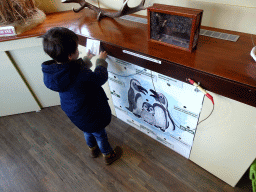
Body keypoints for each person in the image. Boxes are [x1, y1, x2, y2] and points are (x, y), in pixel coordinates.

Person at [40, 27, 122, 165]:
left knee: (87, 131)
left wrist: (87, 58)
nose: (78, 50)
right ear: (70, 56)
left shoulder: (55, 72)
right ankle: (108, 155)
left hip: (75, 113)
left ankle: (93, 149)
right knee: (100, 135)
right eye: (76, 48)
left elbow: (72, 71)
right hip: (90, 113)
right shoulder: (80, 74)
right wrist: (101, 61)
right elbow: (98, 78)